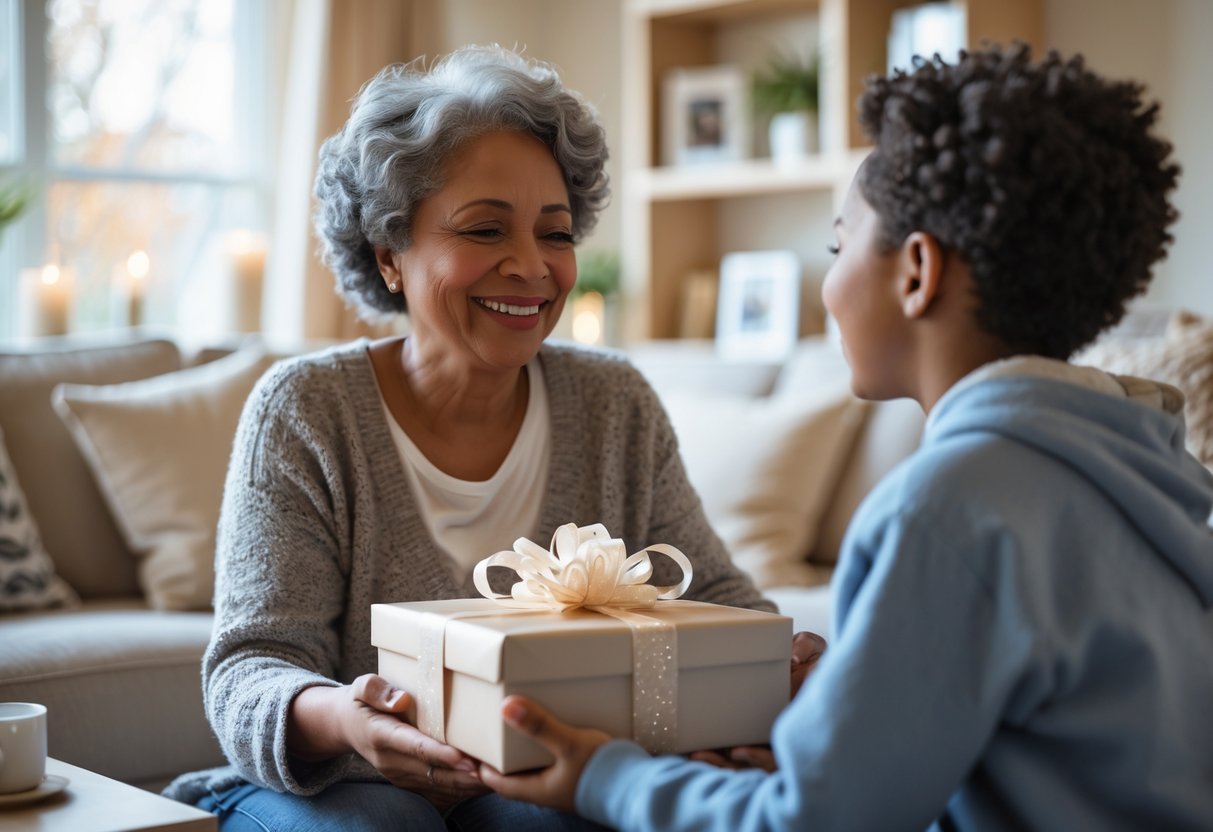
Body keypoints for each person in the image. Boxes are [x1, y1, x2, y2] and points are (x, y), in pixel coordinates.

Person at [477, 43, 1213, 831]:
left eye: (837, 246)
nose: (827, 288)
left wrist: (606, 776)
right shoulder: (1142, 469)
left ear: (916, 272)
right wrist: (815, 750)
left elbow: (813, 825)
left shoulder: (946, 508)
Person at [163, 44, 821, 831]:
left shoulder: (613, 404)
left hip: (534, 778)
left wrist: (778, 664)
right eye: (483, 231)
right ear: (390, 255)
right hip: (339, 781)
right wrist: (349, 720)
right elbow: (250, 669)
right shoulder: (305, 411)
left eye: (556, 233)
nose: (530, 267)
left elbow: (713, 599)